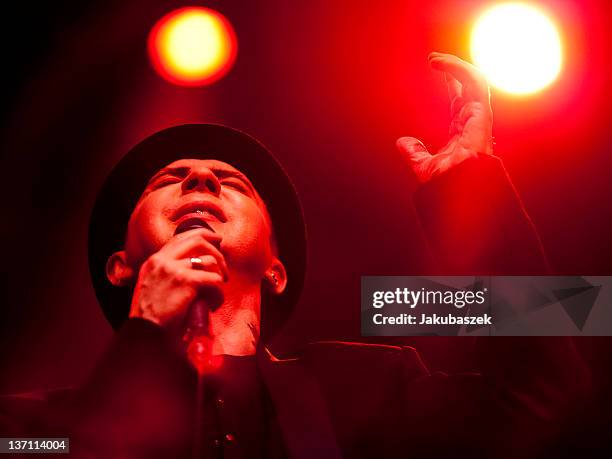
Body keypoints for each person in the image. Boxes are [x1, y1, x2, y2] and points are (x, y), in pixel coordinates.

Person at [1, 53, 590, 458]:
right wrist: (145, 339)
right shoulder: (29, 429)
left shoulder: (366, 386)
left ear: (276, 269)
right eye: (169, 179)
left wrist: (471, 192)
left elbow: (549, 395)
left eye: (232, 182)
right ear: (120, 266)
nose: (201, 177)